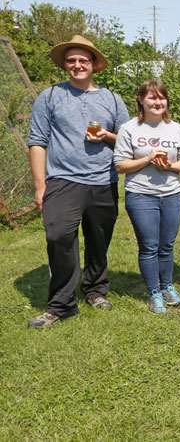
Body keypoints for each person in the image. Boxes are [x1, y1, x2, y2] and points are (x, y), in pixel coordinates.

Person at [27, 35, 130, 328]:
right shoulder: (49, 97)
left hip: (103, 180)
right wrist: (40, 185)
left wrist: (107, 136)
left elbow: (127, 140)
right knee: (58, 236)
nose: (77, 65)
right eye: (71, 60)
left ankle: (95, 289)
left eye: (83, 60)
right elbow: (37, 142)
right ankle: (61, 304)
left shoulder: (112, 99)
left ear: (94, 64)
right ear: (65, 65)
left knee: (99, 241)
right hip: (63, 180)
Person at [114, 80, 180, 314]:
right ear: (141, 100)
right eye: (152, 97)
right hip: (141, 195)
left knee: (167, 245)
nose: (157, 102)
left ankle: (167, 286)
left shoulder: (177, 129)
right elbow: (120, 165)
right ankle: (154, 292)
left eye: (161, 98)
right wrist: (147, 159)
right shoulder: (129, 129)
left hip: (171, 195)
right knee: (149, 246)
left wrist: (169, 166)